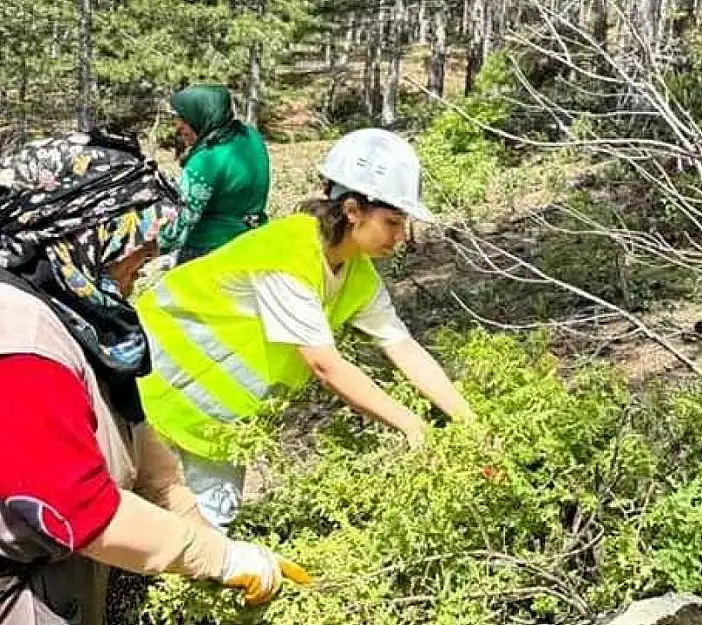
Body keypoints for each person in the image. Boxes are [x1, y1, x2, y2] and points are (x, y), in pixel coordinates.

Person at [0, 130, 309, 625]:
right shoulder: (19, 333)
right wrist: (216, 559)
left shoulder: (81, 319)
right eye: (133, 247)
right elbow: (75, 508)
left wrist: (214, 543)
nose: (142, 266)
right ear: (84, 234)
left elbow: (151, 469)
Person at [137, 128, 476, 532]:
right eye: (392, 222)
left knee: (205, 538)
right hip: (145, 396)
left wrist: (469, 425)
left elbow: (403, 347)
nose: (401, 237)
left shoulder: (358, 277)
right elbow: (325, 366)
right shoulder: (288, 251)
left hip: (213, 429)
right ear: (353, 210)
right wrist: (412, 427)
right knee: (124, 519)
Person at [162, 84, 271, 263]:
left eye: (185, 119)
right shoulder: (250, 135)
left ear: (202, 116)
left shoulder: (206, 159)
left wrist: (146, 250)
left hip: (212, 249)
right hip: (254, 238)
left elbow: (180, 222)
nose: (178, 127)